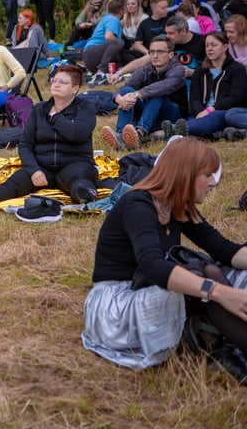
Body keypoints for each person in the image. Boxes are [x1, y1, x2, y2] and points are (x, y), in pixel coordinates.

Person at [81, 137, 247, 374]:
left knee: (222, 269)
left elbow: (224, 249)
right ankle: (222, 346)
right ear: (185, 174)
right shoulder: (137, 205)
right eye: (207, 175)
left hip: (151, 290)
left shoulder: (178, 206)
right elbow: (152, 266)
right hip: (117, 303)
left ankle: (217, 340)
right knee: (199, 274)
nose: (213, 182)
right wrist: (220, 292)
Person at [0, 65, 98, 213]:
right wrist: (34, 170)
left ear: (75, 89)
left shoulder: (85, 108)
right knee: (12, 184)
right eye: (54, 80)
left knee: (79, 182)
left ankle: (88, 197)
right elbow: (25, 144)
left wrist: (55, 117)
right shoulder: (40, 109)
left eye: (62, 82)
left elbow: (77, 133)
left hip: (74, 162)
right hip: (42, 165)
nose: (56, 84)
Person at [100, 36, 185, 150]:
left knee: (156, 94)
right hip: (149, 115)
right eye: (152, 52)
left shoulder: (178, 70)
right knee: (126, 91)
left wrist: (137, 94)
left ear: (170, 55)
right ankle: (121, 134)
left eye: (160, 52)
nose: (155, 56)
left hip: (170, 118)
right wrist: (119, 98)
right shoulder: (147, 69)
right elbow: (126, 86)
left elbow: (164, 86)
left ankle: (139, 134)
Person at [185, 32, 247, 139]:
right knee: (194, 121)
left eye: (214, 45)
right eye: (207, 45)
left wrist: (211, 110)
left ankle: (173, 130)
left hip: (222, 111)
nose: (209, 49)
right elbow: (194, 99)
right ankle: (174, 131)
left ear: (225, 47)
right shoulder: (200, 72)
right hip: (202, 112)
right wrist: (201, 112)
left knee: (214, 118)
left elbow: (236, 98)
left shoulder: (237, 69)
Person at [83, 0, 125, 83]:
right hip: (92, 54)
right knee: (119, 42)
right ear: (121, 12)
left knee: (124, 62)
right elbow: (108, 37)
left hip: (92, 57)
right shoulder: (113, 19)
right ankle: (101, 72)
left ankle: (101, 71)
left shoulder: (106, 18)